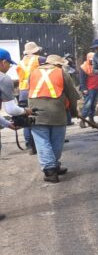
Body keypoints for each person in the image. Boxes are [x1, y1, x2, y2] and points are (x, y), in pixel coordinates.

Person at [28, 55, 79, 183]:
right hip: (57, 112)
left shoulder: (33, 72)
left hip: (36, 112)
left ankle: (52, 168)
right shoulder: (62, 73)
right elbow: (71, 95)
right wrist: (73, 111)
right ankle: (52, 169)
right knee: (57, 140)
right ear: (58, 64)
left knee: (42, 140)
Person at [0, 48, 32, 221]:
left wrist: (6, 124)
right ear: (3, 62)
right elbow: (11, 108)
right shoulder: (3, 79)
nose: (8, 68)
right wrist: (26, 110)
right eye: (8, 65)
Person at [16, 42, 46, 154]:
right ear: (36, 51)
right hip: (35, 91)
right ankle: (39, 144)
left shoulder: (20, 62)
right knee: (38, 118)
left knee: (27, 118)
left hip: (22, 92)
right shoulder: (41, 59)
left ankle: (29, 144)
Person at [78, 52, 98, 128]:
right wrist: (84, 89)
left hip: (96, 88)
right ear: (88, 59)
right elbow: (82, 80)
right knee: (87, 105)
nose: (92, 61)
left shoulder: (97, 65)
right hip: (89, 89)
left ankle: (91, 121)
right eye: (91, 59)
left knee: (93, 105)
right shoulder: (83, 67)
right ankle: (82, 120)